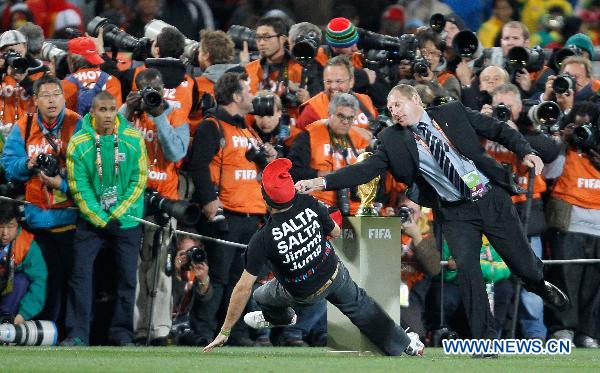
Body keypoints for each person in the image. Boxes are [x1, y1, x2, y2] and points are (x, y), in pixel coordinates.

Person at [295, 84, 569, 343]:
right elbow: (364, 170)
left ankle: (538, 283)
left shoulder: (453, 112)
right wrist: (322, 182)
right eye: (390, 109)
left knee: (522, 264)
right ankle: (485, 342)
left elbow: (498, 129)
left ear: (415, 100)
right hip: (455, 211)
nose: (395, 112)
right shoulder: (392, 139)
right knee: (468, 272)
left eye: (399, 105)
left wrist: (526, 151)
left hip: (490, 198)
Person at [203, 158, 424, 356]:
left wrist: (225, 331)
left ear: (266, 199)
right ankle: (405, 344)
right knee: (362, 306)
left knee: (260, 296)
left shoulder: (262, 239)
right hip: (333, 273)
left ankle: (283, 318)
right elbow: (336, 233)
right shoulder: (309, 203)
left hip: (300, 293)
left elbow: (242, 288)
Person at [187, 72, 272, 346]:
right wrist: (209, 202)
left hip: (251, 214)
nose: (252, 96)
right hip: (227, 215)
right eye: (248, 90)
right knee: (220, 277)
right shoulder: (211, 126)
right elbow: (198, 165)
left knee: (241, 280)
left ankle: (235, 332)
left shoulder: (248, 129)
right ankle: (203, 331)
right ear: (236, 96)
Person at [62, 91, 147, 346]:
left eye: (112, 109)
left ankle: (122, 334)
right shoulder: (79, 143)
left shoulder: (133, 138)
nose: (108, 115)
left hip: (127, 220)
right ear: (92, 113)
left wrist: (118, 213)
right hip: (91, 222)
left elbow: (139, 179)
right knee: (80, 276)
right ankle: (78, 334)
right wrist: (100, 217)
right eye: (102, 110)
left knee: (127, 278)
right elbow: (79, 187)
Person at [1, 74, 81, 334]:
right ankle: (42, 332)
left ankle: (69, 334)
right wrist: (28, 165)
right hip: (36, 222)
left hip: (68, 221)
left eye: (56, 94)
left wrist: (62, 182)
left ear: (63, 96)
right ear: (35, 100)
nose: (52, 100)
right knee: (44, 280)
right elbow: (8, 165)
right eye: (45, 95)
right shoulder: (23, 126)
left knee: (70, 281)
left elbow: (87, 172)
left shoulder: (76, 124)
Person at [123, 68, 189, 345]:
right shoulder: (128, 116)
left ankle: (159, 330)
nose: (152, 94)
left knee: (162, 270)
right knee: (134, 269)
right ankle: (136, 329)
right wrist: (127, 109)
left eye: (156, 89)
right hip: (131, 200)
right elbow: (105, 140)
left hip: (165, 201)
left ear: (164, 89)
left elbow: (175, 152)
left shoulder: (175, 114)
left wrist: (159, 116)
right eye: (146, 89)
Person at [289, 93, 369, 216]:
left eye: (350, 118)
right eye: (341, 116)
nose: (345, 122)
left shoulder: (360, 139)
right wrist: (319, 175)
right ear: (329, 114)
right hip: (316, 206)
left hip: (353, 209)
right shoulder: (309, 135)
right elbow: (292, 172)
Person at [296, 55, 377, 134]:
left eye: (339, 81)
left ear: (351, 82)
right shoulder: (312, 109)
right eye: (328, 81)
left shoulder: (365, 101)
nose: (333, 86)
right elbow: (297, 144)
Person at [0, 200, 47, 325]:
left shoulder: (28, 246)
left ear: (18, 225)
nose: (4, 233)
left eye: (10, 226)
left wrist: (23, 314)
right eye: (0, 226)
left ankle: (6, 322)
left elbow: (39, 281)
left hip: (9, 302)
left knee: (21, 280)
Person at [62, 36, 122, 116]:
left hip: (77, 128)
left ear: (71, 60)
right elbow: (116, 116)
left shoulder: (65, 83)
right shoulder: (111, 81)